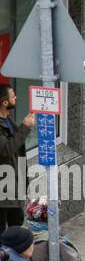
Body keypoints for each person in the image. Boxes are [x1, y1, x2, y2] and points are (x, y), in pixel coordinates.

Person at [0, 86, 32, 226]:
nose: (16, 97)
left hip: (15, 183)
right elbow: (6, 149)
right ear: (5, 102)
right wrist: (25, 127)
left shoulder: (8, 119)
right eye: (13, 96)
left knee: (17, 222)